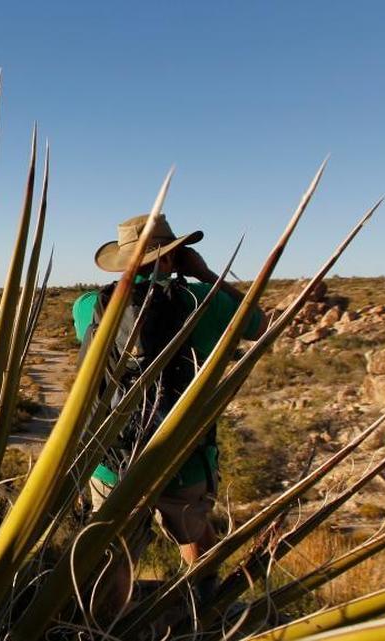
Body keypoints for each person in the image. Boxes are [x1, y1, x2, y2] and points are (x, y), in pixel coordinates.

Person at [73, 213, 267, 612]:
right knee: (195, 535)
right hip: (184, 455)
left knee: (114, 552)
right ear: (172, 257)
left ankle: (108, 625)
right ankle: (204, 609)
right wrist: (205, 273)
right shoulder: (204, 301)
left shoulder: (88, 306)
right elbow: (256, 324)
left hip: (112, 455)